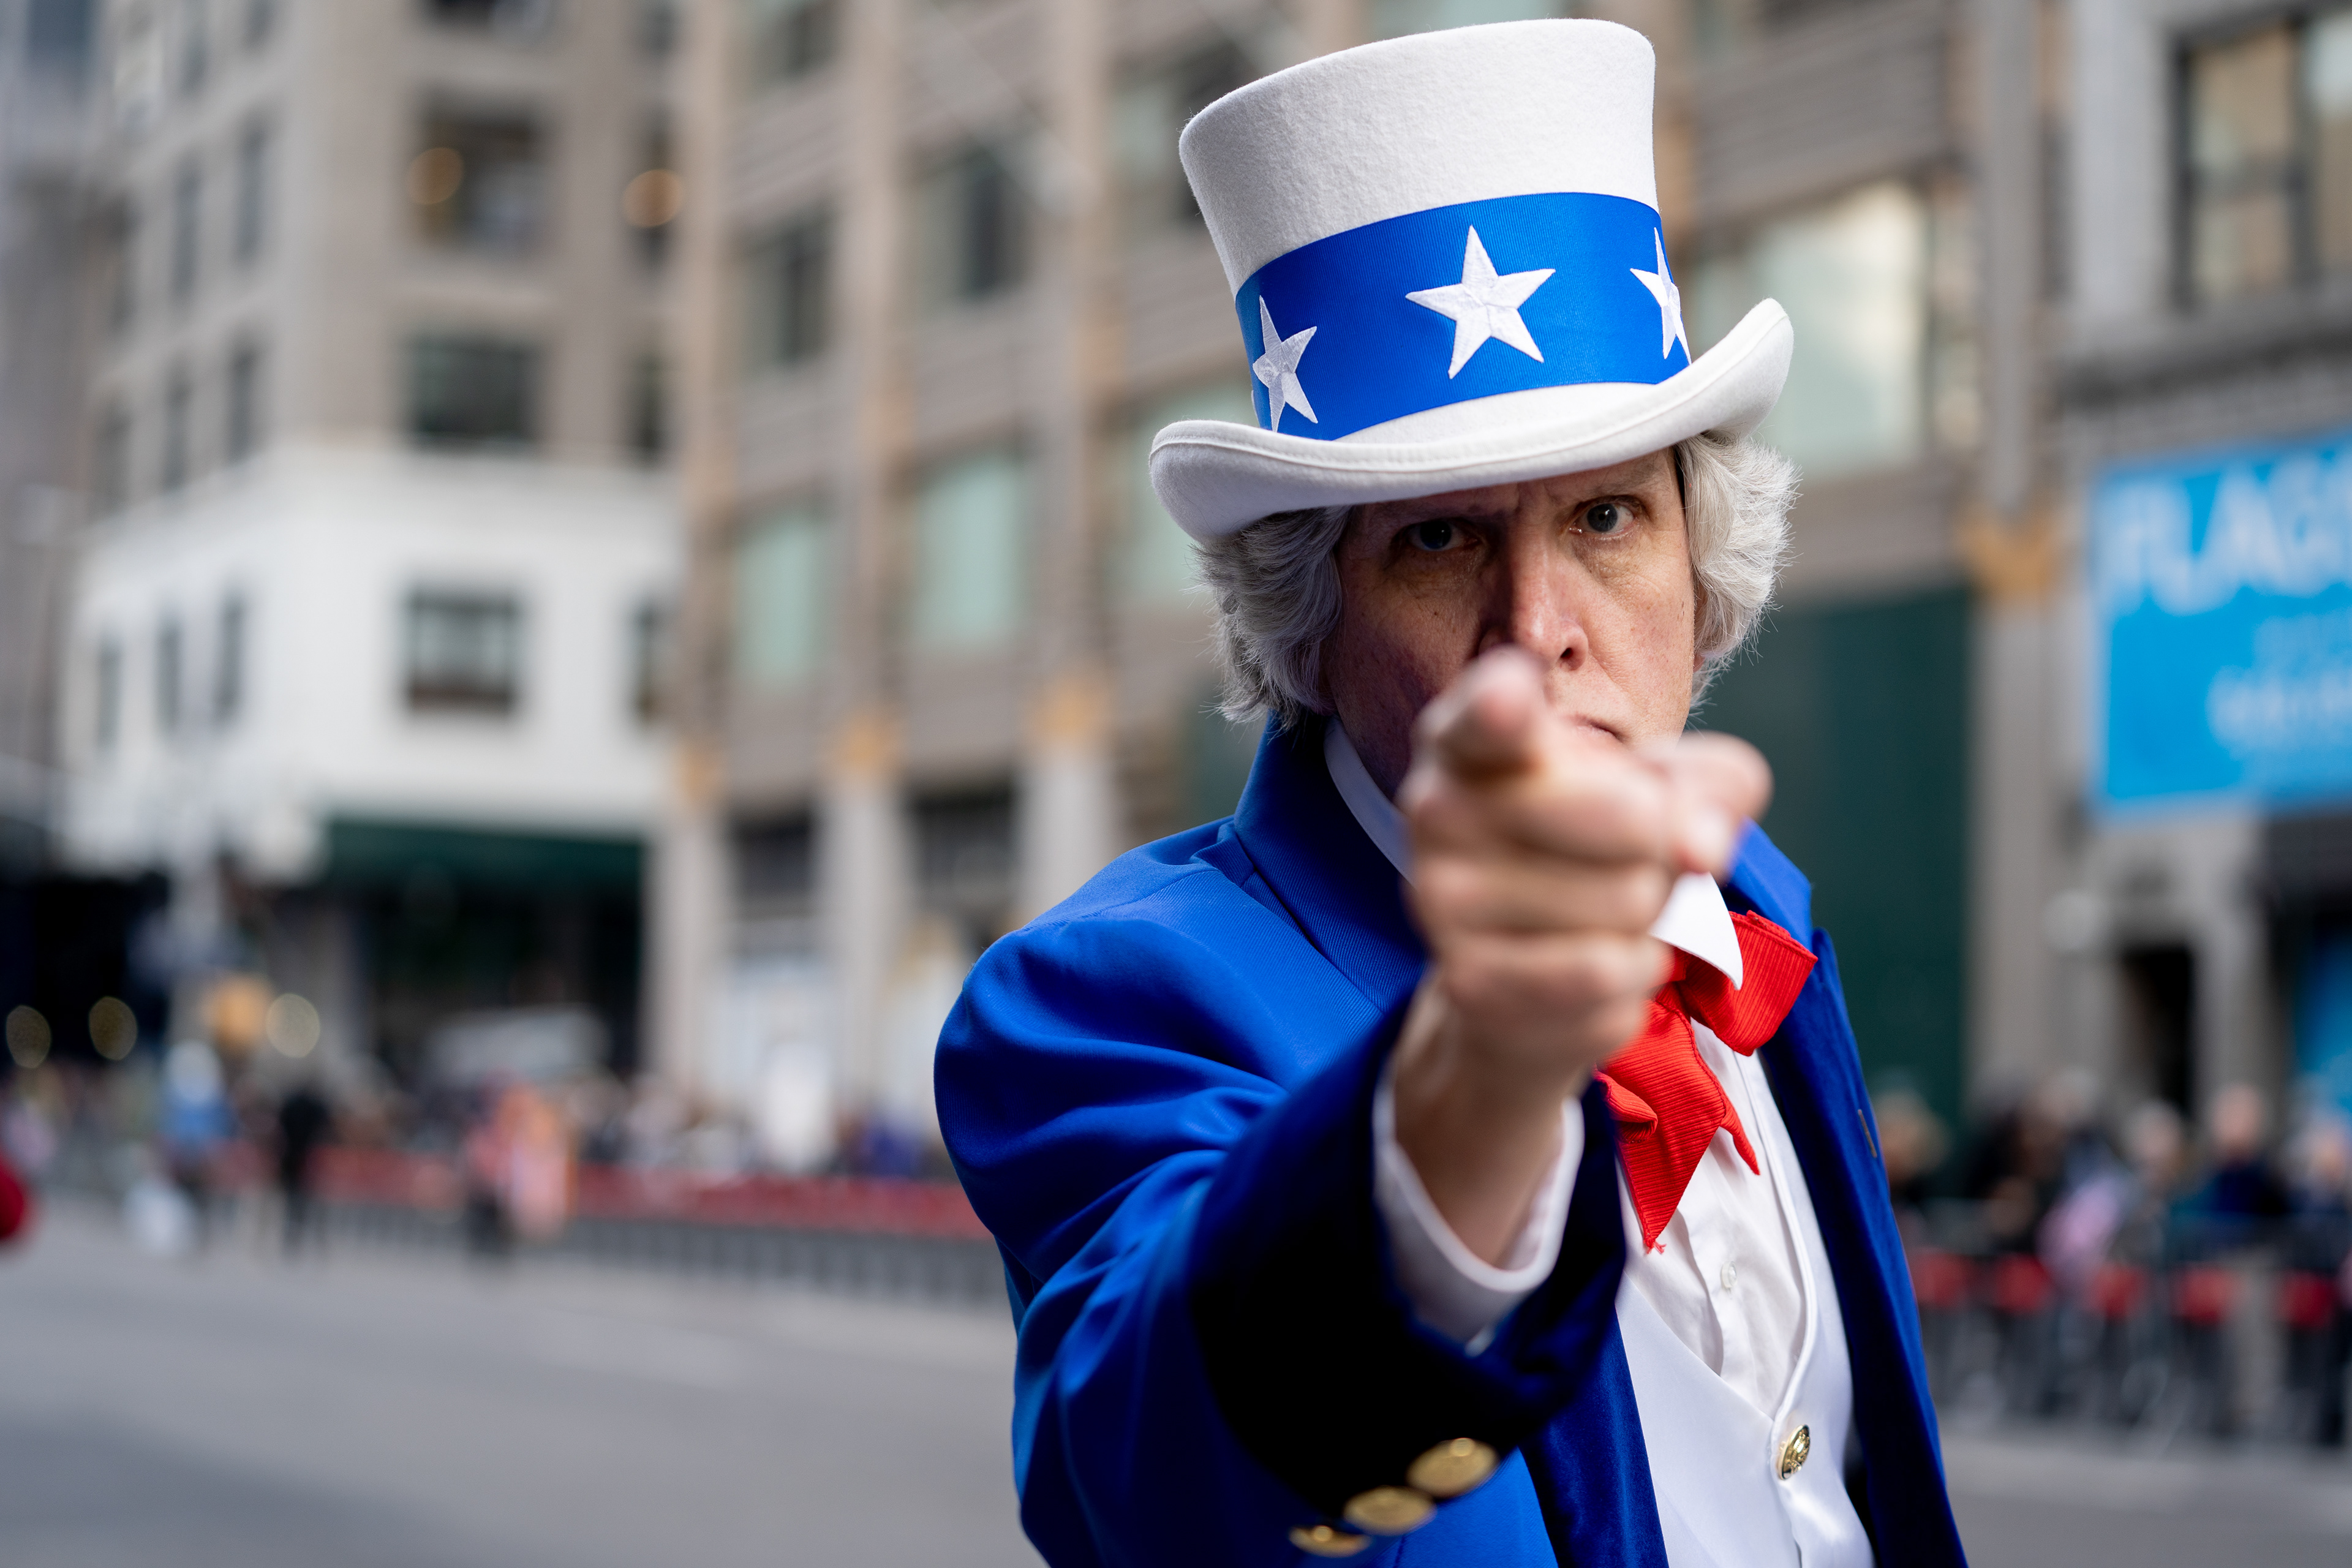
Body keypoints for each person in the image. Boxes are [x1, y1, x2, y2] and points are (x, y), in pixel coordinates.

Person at [934, 22, 1964, 1567]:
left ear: (1699, 571)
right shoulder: (1112, 989)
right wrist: (1476, 1078)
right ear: (1309, 620)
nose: (1536, 617)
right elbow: (1144, 1484)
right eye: (1435, 541)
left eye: (1606, 515)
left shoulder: (1754, 905)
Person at [274, 1080, 334, 1256]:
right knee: (308, 1206)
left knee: (293, 1205)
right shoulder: (316, 1108)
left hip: (293, 1159)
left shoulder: (290, 1106)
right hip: (308, 1159)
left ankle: (294, 1241)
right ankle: (314, 1244)